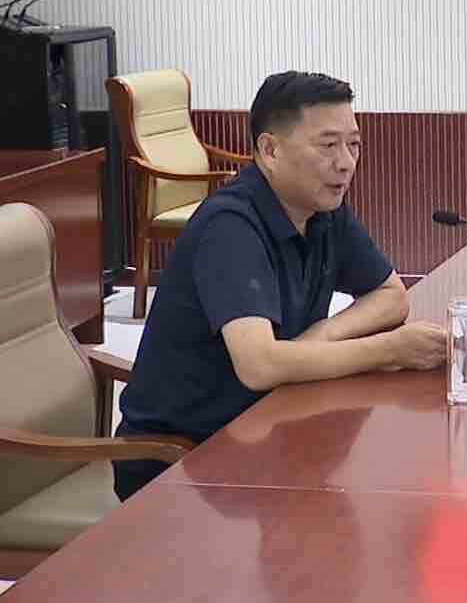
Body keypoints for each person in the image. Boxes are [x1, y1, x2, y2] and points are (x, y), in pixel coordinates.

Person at [115, 72, 448, 501]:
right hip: (183, 464)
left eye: (354, 144)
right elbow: (259, 366)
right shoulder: (230, 226)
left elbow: (391, 296)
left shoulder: (323, 208)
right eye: (328, 146)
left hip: (266, 424)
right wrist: (390, 350)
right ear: (270, 150)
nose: (346, 162)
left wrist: (320, 336)